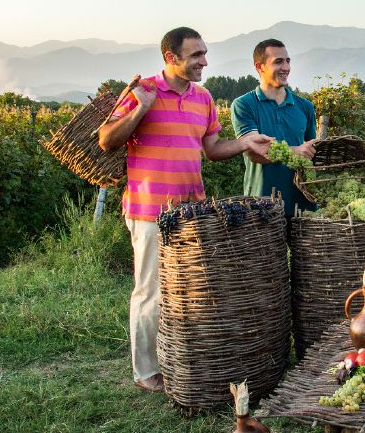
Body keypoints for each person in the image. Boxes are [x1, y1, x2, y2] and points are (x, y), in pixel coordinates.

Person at [98, 27, 273, 392]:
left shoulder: (203, 98)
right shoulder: (142, 90)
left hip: (191, 212)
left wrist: (243, 144)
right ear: (171, 58)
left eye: (204, 54)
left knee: (187, 290)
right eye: (196, 56)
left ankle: (180, 359)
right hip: (148, 211)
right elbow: (106, 139)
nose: (204, 62)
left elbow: (211, 148)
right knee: (150, 292)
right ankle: (145, 370)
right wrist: (141, 109)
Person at [230, 39, 317, 219]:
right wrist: (296, 151)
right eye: (278, 61)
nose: (286, 67)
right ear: (259, 66)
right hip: (262, 206)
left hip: (302, 206)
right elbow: (254, 152)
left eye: (288, 61)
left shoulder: (305, 107)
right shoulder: (243, 105)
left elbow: (311, 153)